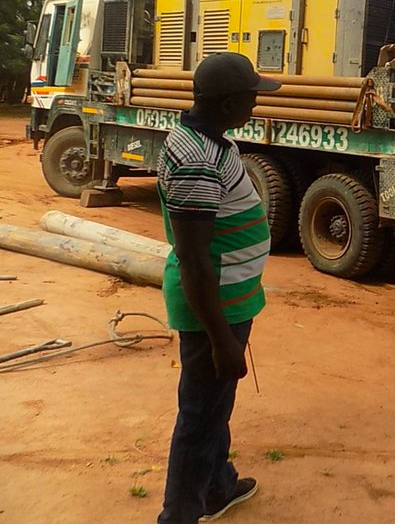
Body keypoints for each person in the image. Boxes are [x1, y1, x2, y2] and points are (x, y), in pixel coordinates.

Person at [157, 52, 281, 523]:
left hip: (231, 301)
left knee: (213, 406)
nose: (256, 102)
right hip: (216, 309)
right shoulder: (196, 160)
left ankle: (217, 487)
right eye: (252, 96)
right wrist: (220, 339)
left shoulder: (210, 141)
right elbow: (193, 258)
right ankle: (179, 515)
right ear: (228, 103)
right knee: (200, 416)